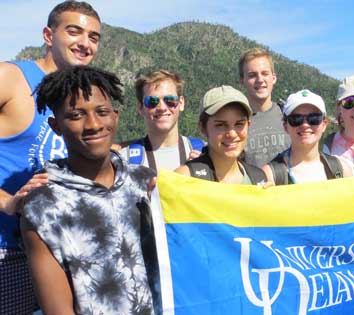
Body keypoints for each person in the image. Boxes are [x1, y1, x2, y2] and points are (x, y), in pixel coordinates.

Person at [20, 66, 158, 315]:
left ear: (115, 116)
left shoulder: (146, 185)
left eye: (102, 112)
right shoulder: (42, 209)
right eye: (76, 115)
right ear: (56, 125)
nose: (93, 124)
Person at [0, 1, 101, 313]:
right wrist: (6, 201)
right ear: (48, 35)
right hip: (6, 252)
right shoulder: (12, 78)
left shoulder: (79, 96)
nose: (85, 43)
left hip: (59, 254)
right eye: (74, 31)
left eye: (94, 37)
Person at [175, 85, 266, 184]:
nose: (232, 133)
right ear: (203, 128)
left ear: (248, 125)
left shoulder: (259, 179)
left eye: (239, 124)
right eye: (221, 125)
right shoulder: (185, 179)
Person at [119, 70, 204, 173]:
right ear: (141, 108)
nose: (162, 107)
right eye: (152, 101)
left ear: (181, 103)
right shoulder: (124, 162)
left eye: (170, 100)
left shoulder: (206, 154)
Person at [262, 89, 352, 185]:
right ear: (285, 126)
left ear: (324, 125)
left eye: (314, 118)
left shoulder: (341, 170)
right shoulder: (270, 175)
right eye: (296, 119)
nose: (305, 125)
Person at [238, 48, 290, 167]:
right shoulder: (236, 123)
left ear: (274, 78)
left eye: (265, 73)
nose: (260, 80)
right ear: (242, 80)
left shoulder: (291, 117)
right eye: (252, 75)